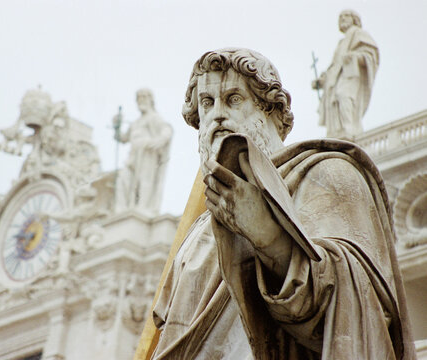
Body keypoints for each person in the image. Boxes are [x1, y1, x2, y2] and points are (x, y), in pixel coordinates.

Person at [152, 48, 415, 359]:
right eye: (207, 104)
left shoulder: (326, 173)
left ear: (272, 112)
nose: (217, 114)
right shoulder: (196, 232)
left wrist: (269, 236)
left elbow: (362, 308)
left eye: (234, 99)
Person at [313, 10, 379, 139]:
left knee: (343, 95)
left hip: (351, 74)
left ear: (354, 19)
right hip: (338, 77)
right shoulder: (341, 42)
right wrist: (323, 80)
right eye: (340, 17)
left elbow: (371, 55)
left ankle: (349, 129)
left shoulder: (359, 34)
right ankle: (337, 132)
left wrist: (355, 57)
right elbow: (334, 65)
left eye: (346, 16)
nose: (342, 18)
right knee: (334, 101)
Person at [113, 89, 173, 215]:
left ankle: (143, 209)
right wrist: (116, 127)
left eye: (144, 98)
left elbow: (166, 130)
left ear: (150, 100)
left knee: (144, 181)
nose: (141, 101)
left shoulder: (154, 117)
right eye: (139, 99)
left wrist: (159, 140)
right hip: (133, 156)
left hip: (147, 152)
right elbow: (123, 138)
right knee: (122, 179)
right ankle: (121, 210)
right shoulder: (136, 122)